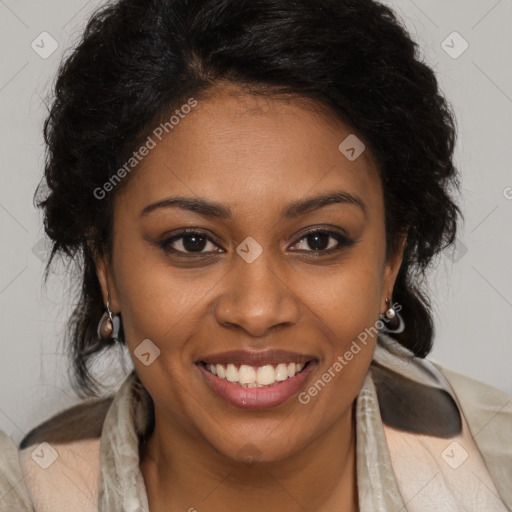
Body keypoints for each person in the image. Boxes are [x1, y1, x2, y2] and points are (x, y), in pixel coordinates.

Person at [1, 0, 511, 510]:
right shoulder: (24, 492)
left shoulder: (498, 468)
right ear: (105, 266)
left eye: (318, 240)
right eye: (192, 242)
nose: (257, 311)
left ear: (390, 262)